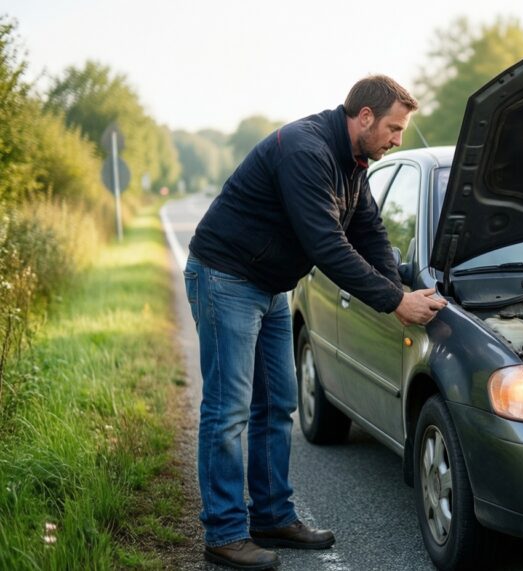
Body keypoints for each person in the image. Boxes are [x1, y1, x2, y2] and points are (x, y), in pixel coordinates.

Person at [183, 75, 446, 570]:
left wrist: (402, 290)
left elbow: (367, 229)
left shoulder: (353, 161)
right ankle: (223, 534)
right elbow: (328, 246)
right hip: (225, 278)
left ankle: (272, 517)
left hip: (268, 285)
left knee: (277, 405)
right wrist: (395, 302)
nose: (397, 140)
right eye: (394, 128)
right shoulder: (306, 151)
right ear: (364, 117)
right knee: (228, 411)